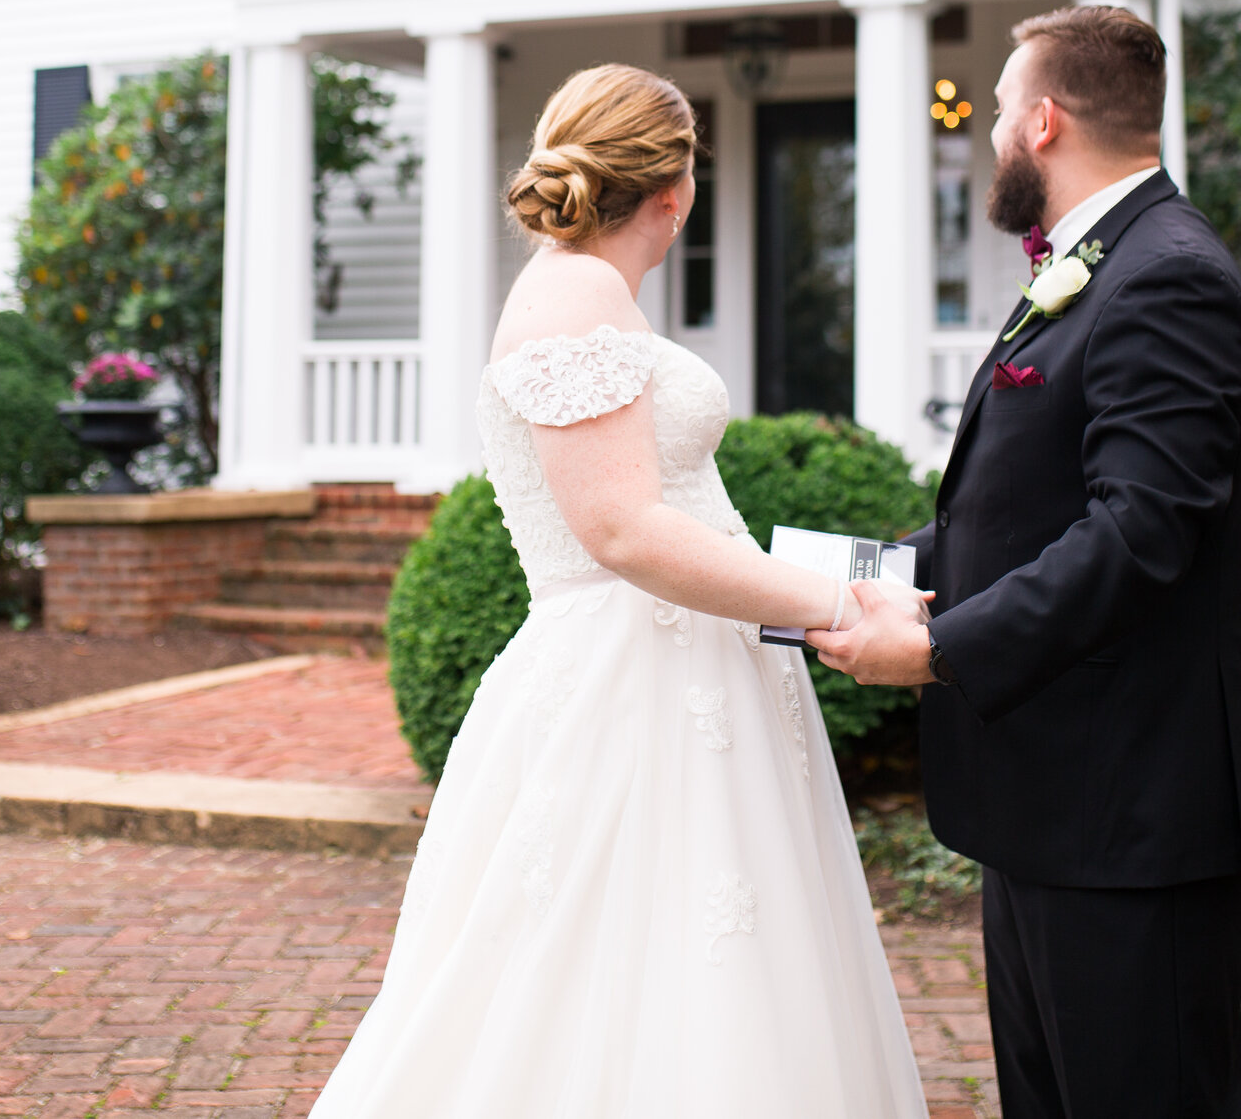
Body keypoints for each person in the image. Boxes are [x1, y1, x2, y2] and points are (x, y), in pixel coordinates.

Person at [310, 64, 930, 1119]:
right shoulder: (575, 294)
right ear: (676, 190)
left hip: (682, 671)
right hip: (629, 683)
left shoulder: (585, 290)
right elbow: (621, 529)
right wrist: (834, 601)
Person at [810, 7, 1241, 1119]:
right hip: (1046, 800)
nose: (988, 134)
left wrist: (938, 649)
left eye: (999, 109)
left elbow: (1139, 532)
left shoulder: (1166, 274)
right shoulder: (1094, 263)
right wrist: (850, 579)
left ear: (1045, 120)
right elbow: (1021, 508)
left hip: (1131, 812)